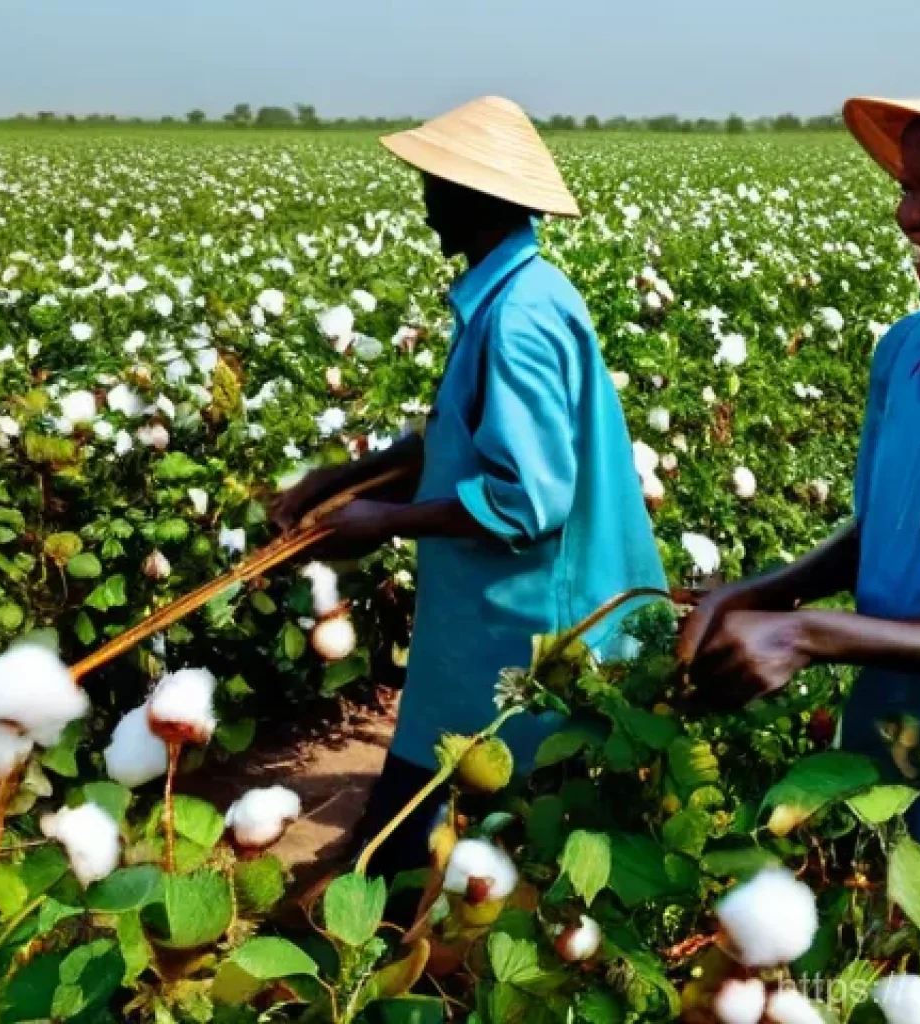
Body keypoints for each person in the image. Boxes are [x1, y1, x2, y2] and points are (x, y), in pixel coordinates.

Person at [272, 96, 667, 881]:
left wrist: (383, 521)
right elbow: (463, 437)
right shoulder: (513, 295)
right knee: (434, 794)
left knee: (497, 823)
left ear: (476, 197)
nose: (424, 207)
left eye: (434, 186)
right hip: (480, 619)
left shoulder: (519, 316)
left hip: (528, 629)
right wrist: (343, 477)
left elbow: (525, 500)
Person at [680, 93, 920, 846]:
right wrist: (768, 590)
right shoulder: (907, 350)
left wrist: (806, 636)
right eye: (908, 190)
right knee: (878, 920)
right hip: (888, 716)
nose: (909, 219)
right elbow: (881, 528)